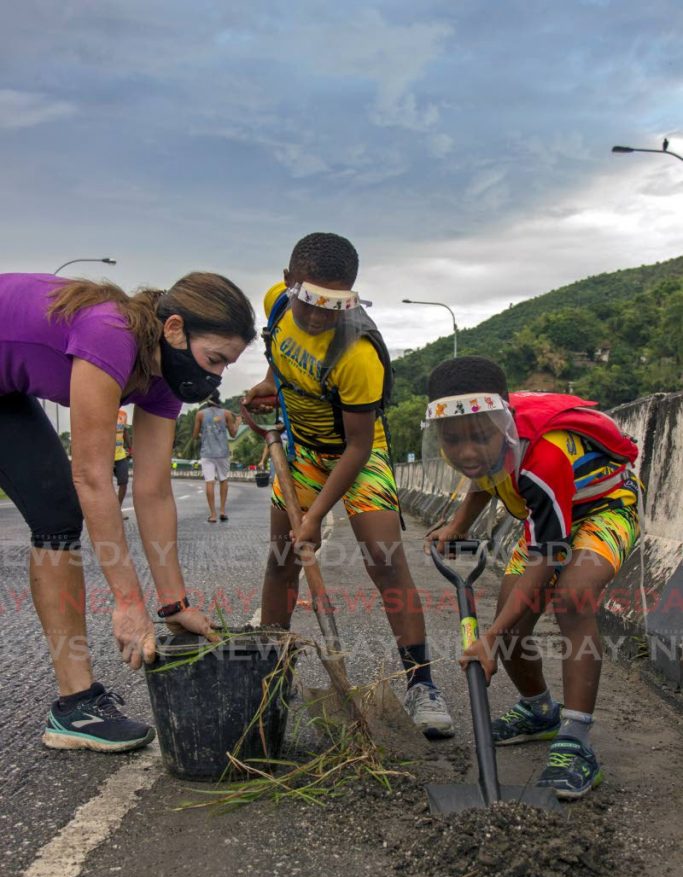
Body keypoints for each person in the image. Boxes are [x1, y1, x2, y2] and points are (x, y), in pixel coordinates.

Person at [0, 271, 255, 753]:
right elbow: (93, 475)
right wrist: (128, 602)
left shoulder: (165, 379)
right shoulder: (110, 333)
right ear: (175, 329)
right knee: (65, 501)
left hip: (7, 393)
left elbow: (154, 490)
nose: (217, 376)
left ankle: (75, 707)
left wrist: (174, 604)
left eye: (227, 367)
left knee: (56, 515)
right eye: (215, 359)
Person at [244, 232, 454, 737]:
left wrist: (315, 517)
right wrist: (269, 387)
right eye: (310, 301)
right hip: (300, 453)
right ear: (289, 281)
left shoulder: (358, 354)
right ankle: (273, 673)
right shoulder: (276, 305)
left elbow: (358, 447)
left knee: (385, 559)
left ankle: (421, 682)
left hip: (356, 454)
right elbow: (279, 357)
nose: (319, 316)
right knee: (280, 561)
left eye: (335, 305)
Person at [424, 356, 641, 798]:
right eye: (452, 440)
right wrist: (458, 525)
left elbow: (549, 556)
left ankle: (575, 741)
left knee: (571, 599)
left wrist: (489, 636)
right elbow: (485, 474)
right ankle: (540, 711)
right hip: (547, 520)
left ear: (503, 425)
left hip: (601, 507)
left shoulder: (543, 458)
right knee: (513, 624)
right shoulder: (489, 440)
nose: (467, 452)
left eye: (481, 437)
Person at [191, 390, 240, 522]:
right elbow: (234, 434)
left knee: (209, 482)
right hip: (222, 452)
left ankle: (213, 514)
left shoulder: (200, 414)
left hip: (207, 453)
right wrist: (238, 422)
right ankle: (222, 511)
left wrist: (204, 434)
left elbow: (194, 435)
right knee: (223, 480)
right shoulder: (226, 414)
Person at [114, 407, 132, 516]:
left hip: (120, 454)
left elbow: (125, 432)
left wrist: (131, 448)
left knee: (124, 482)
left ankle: (117, 509)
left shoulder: (123, 414)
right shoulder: (102, 410)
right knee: (105, 485)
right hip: (105, 455)